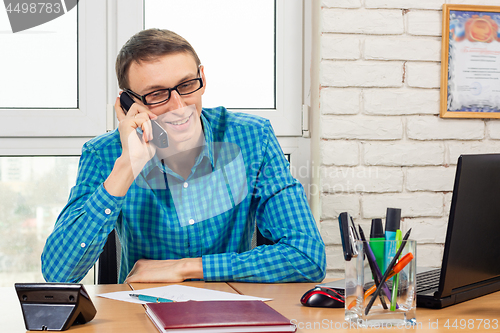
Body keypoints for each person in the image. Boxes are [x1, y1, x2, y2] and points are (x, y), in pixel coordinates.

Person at [41, 28, 326, 284]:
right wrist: (127, 167)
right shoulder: (104, 154)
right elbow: (59, 273)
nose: (179, 106)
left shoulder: (253, 138)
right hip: (140, 316)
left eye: (187, 85)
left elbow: (308, 256)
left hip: (231, 313)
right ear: (129, 103)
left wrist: (187, 268)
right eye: (156, 94)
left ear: (202, 77)